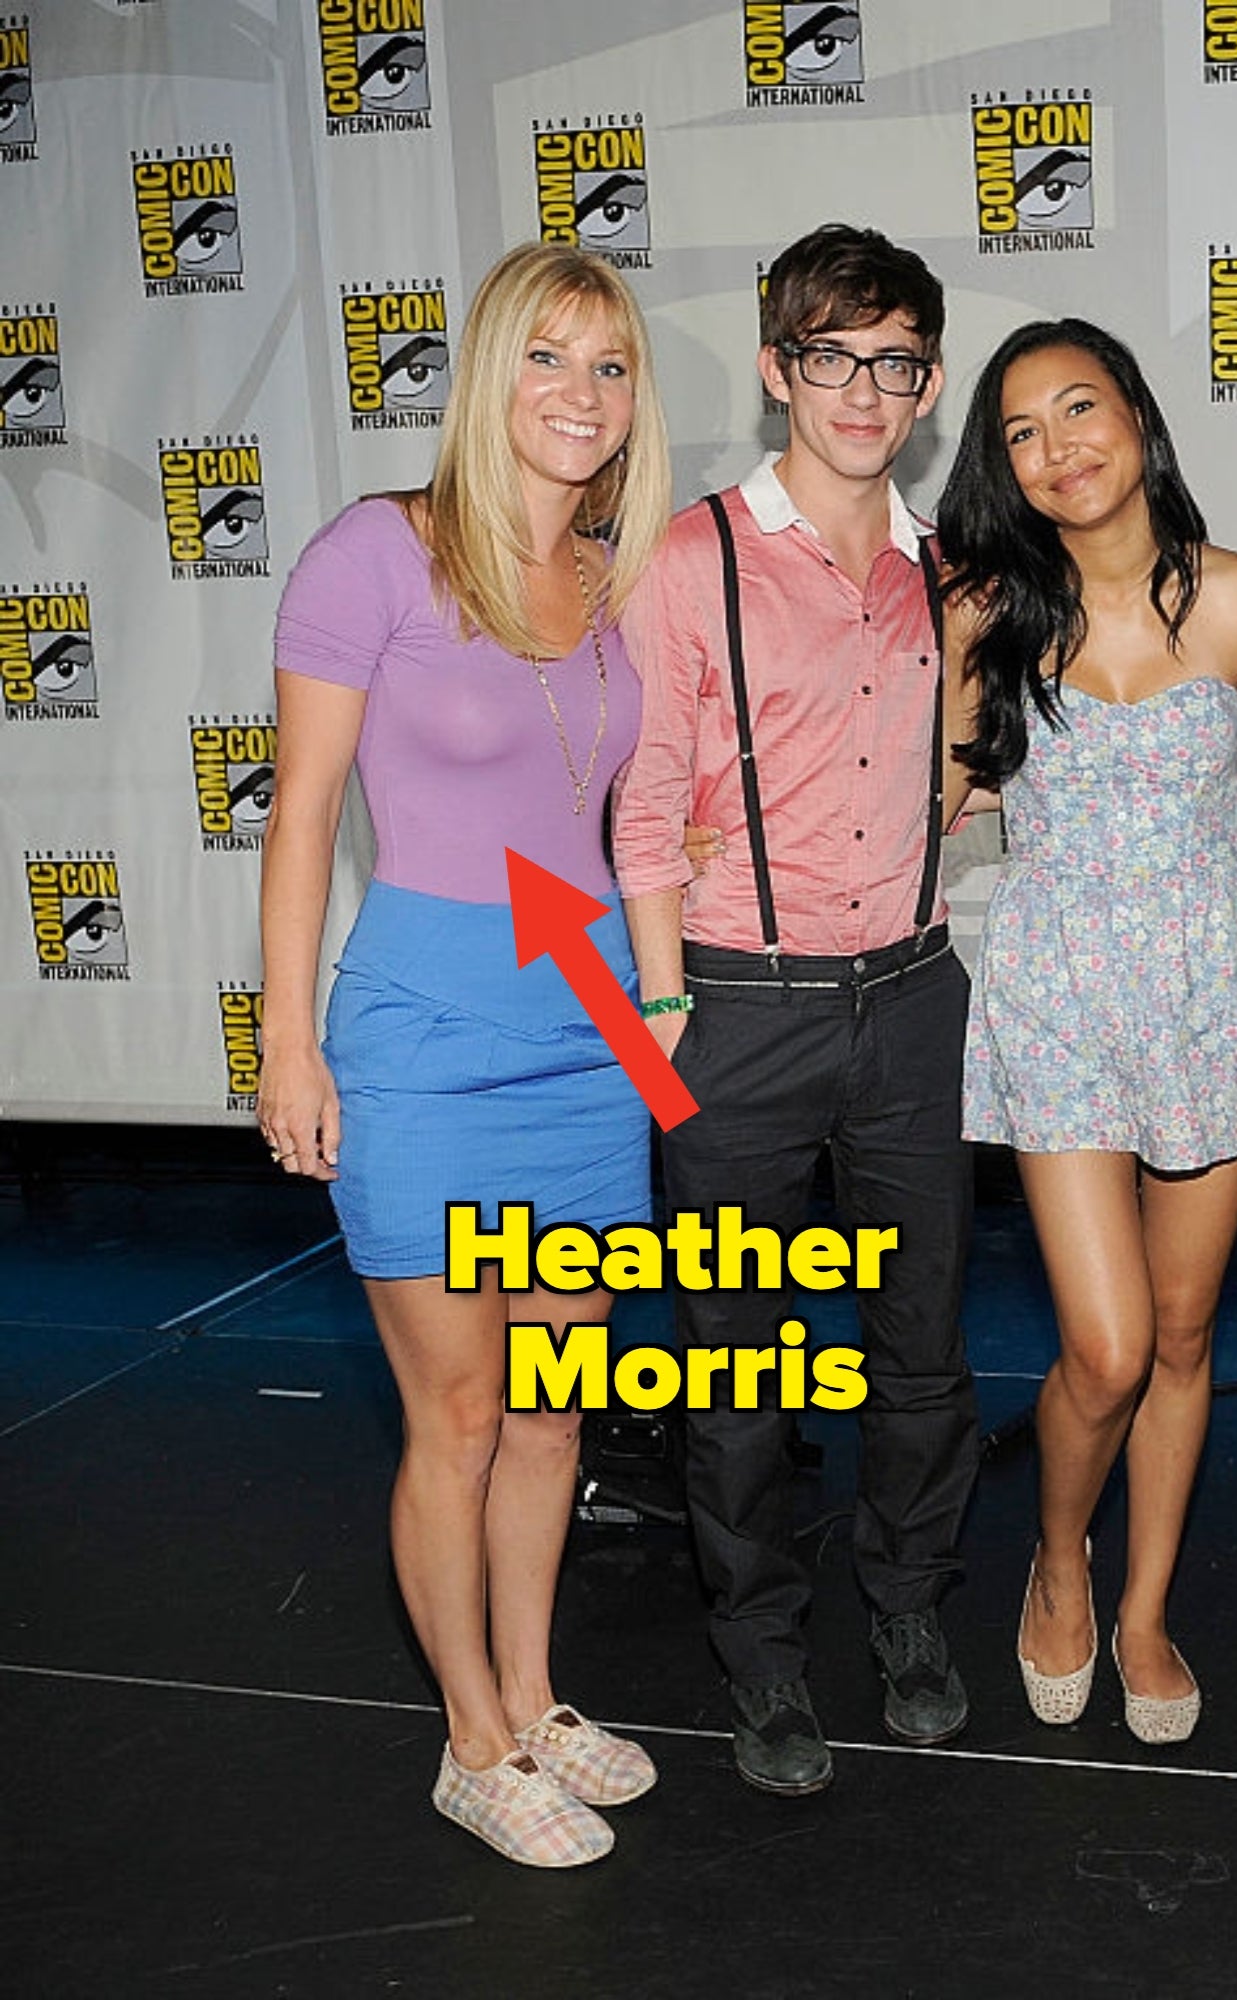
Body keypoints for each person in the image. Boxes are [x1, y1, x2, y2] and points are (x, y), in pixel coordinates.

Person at [256, 241, 673, 1866]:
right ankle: (470, 1739)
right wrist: (290, 1046)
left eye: (610, 365)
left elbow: (626, 816)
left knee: (556, 1407)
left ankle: (535, 1697)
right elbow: (300, 818)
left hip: (588, 1041)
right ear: (490, 374)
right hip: (423, 1038)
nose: (580, 393)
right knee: (461, 1412)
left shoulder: (617, 581)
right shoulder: (379, 552)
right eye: (547, 357)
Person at [614, 225, 979, 1795]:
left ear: (929, 386)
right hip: (735, 1010)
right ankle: (759, 1650)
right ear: (777, 369)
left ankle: (907, 1609)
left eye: (894, 362)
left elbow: (965, 769)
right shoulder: (686, 558)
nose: (862, 390)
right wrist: (662, 1011)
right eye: (831, 356)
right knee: (737, 1365)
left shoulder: (952, 572)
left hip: (909, 997)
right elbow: (643, 807)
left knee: (921, 1350)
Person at [937, 319, 1237, 1744]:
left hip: (1207, 985)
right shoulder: (993, 614)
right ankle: (1057, 1557)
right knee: (1103, 1349)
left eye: (1079, 409)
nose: (1057, 449)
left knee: (1184, 1331)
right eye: (1022, 432)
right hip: (1056, 989)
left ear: (1139, 419)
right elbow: (927, 802)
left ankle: (1145, 1607)